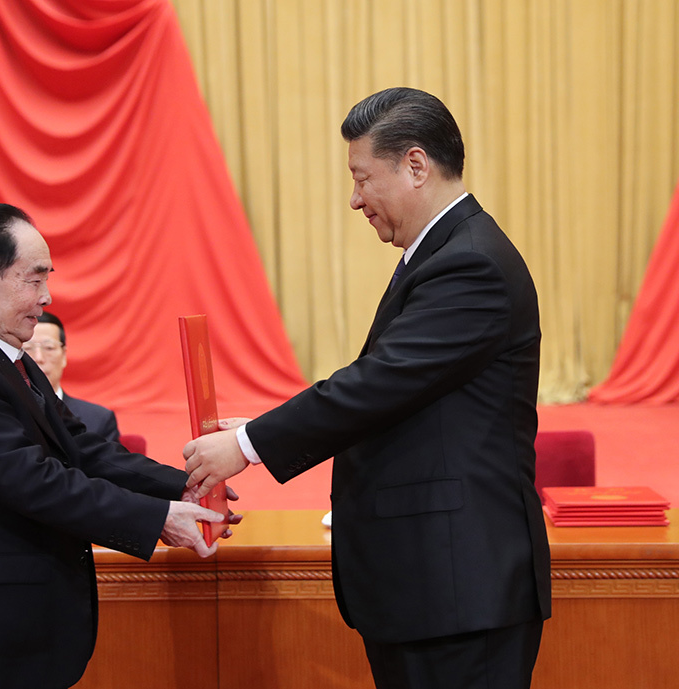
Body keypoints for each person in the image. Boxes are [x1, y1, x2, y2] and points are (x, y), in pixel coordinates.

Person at [183, 88, 551, 689]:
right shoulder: (441, 253)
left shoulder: (471, 263)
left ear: (415, 165)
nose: (355, 200)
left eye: (361, 179)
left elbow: (379, 384)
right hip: (431, 586)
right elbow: (398, 394)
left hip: (459, 589)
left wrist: (249, 445)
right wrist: (255, 430)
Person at [0, 203, 236, 689]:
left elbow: (80, 446)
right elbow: (36, 482)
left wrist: (182, 485)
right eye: (33, 280)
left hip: (21, 623)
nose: (47, 296)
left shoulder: (4, 355)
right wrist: (156, 518)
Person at [26, 311, 122, 443]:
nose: (38, 358)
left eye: (49, 348)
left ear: (64, 355)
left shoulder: (98, 419)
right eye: (27, 348)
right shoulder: (2, 412)